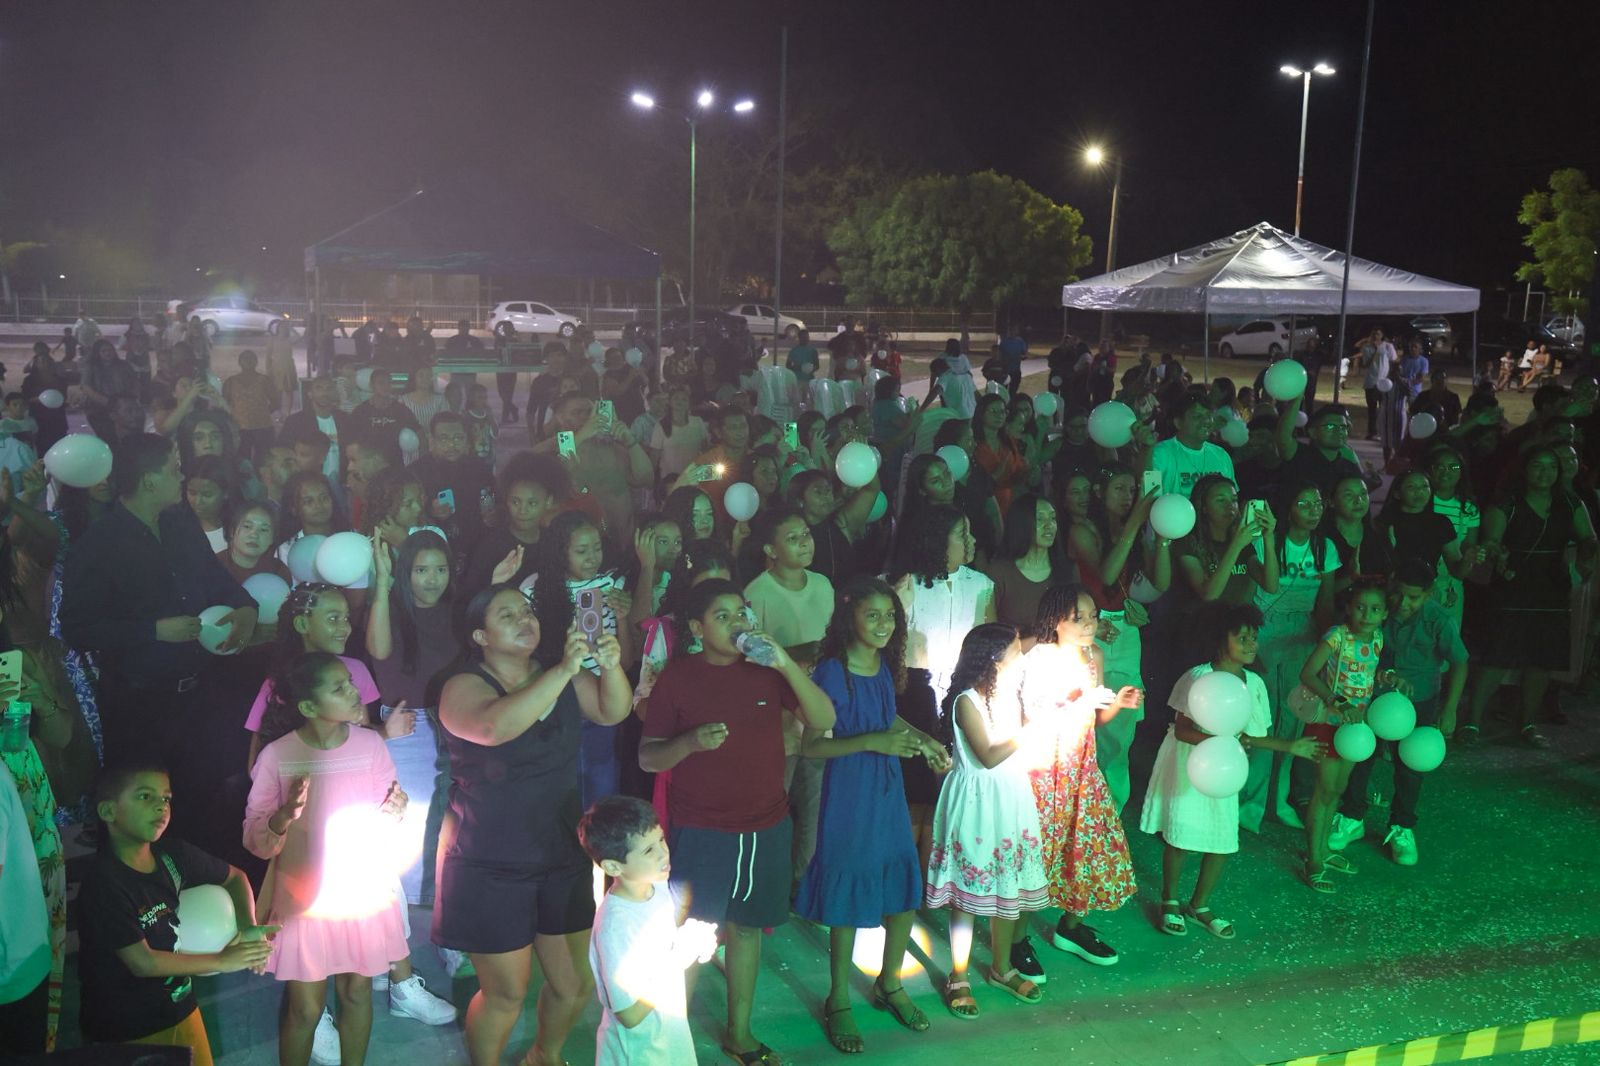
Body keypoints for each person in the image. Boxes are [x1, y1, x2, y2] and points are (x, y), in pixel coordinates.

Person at [639, 578, 835, 1066]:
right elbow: (648, 757)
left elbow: (823, 716)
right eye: (722, 616)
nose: (736, 623)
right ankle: (673, 1041)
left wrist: (785, 662)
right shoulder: (679, 678)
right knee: (690, 935)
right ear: (697, 627)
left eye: (741, 613)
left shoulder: (767, 673)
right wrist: (689, 743)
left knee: (746, 930)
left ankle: (740, 1034)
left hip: (766, 827)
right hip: (701, 830)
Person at [436, 585, 631, 1066]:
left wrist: (608, 665)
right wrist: (566, 669)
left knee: (573, 985)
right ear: (480, 634)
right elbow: (493, 728)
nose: (525, 619)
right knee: (505, 994)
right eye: (508, 614)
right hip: (489, 861)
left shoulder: (553, 674)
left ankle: (544, 1056)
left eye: (527, 609)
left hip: (561, 850)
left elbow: (613, 710)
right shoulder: (461, 686)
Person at [59, 434, 257, 845]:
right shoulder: (99, 544)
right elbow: (77, 628)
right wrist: (152, 631)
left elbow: (218, 581)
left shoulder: (181, 524)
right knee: (141, 813)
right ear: (149, 481)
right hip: (138, 703)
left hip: (201, 694)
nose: (181, 477)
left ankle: (195, 888)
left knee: (199, 800)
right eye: (174, 469)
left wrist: (245, 607)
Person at [794, 576, 945, 1052]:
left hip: (886, 795)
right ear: (849, 618)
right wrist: (874, 742)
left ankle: (890, 982)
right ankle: (837, 998)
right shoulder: (831, 673)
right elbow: (813, 745)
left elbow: (886, 720)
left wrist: (923, 740)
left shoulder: (883, 664)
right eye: (872, 615)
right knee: (847, 900)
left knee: (901, 896)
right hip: (848, 799)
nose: (883, 624)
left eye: (890, 616)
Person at [243, 653, 409, 1066]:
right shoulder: (277, 756)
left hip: (361, 892)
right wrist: (283, 817)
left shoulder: (370, 745)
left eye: (350, 682)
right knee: (304, 1008)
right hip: (304, 902)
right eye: (339, 687)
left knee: (356, 992)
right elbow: (255, 839)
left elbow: (385, 813)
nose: (354, 692)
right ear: (307, 707)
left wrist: (394, 812)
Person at [1142, 603, 1323, 937]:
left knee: (1222, 837)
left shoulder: (1253, 683)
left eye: (1254, 637)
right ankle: (1170, 899)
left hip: (1224, 766)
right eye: (1242, 637)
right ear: (1218, 639)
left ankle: (1200, 905)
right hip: (1189, 761)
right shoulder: (1197, 677)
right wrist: (1218, 739)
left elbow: (1255, 735)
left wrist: (1291, 746)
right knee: (1181, 835)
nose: (1251, 644)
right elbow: (1182, 730)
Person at [78, 762, 272, 1065]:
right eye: (145, 797)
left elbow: (235, 877)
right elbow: (142, 962)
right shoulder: (103, 883)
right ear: (108, 812)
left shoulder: (173, 856)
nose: (160, 806)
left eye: (166, 798)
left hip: (180, 1006)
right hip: (122, 1026)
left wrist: (247, 926)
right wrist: (223, 960)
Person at [1015, 586, 1141, 981]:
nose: (1090, 624)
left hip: (1082, 769)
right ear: (1056, 621)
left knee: (1088, 848)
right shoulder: (1036, 656)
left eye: (1093, 615)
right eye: (1079, 617)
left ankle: (1070, 928)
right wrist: (1081, 704)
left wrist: (1116, 703)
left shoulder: (1094, 656)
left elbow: (1095, 717)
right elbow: (1033, 716)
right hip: (1044, 769)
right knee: (1038, 855)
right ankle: (1017, 940)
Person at [925, 623, 1050, 1018]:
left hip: (1010, 797)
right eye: (1016, 650)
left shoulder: (1009, 694)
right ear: (994, 658)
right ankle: (958, 975)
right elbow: (988, 755)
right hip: (978, 801)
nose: (1022, 654)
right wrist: (1034, 729)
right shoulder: (967, 701)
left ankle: (1002, 967)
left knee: (1005, 890)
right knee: (968, 894)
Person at [1328, 559, 1468, 867]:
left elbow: (1460, 662)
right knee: (1361, 756)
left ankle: (1402, 826)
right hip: (1373, 697)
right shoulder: (1379, 610)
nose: (1403, 603)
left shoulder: (1439, 620)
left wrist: (1450, 708)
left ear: (1429, 594)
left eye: (1414, 597)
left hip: (1420, 702)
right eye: (1399, 594)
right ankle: (1352, 816)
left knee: (1410, 765)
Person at [1461, 446, 1597, 748]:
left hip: (1552, 587)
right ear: (1524, 469)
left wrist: (1587, 554)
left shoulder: (1570, 502)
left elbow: (1588, 537)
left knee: (1541, 661)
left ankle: (1527, 723)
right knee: (1497, 657)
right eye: (1538, 465)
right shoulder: (1506, 502)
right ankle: (1472, 721)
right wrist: (1496, 553)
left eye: (1551, 466)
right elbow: (1492, 541)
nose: (1545, 472)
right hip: (1512, 585)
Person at [742, 506, 836, 891]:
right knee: (772, 805)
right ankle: (765, 881)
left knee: (816, 810)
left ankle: (803, 884)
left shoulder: (824, 586)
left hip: (816, 714)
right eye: (792, 538)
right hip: (777, 722)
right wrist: (800, 653)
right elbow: (749, 657)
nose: (804, 543)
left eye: (806, 535)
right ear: (770, 548)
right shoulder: (756, 593)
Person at [578, 795, 710, 1066]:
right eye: (649, 850)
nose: (663, 852)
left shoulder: (654, 886)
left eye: (661, 839)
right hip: (639, 1052)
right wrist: (679, 959)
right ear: (614, 867)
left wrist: (692, 941)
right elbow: (629, 1014)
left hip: (668, 1036)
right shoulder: (616, 927)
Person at [523, 512, 635, 806]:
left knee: (602, 790)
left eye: (597, 548)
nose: (592, 558)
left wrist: (623, 618)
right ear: (561, 552)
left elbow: (625, 663)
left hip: (604, 705)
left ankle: (598, 851)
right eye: (582, 551)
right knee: (560, 795)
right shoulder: (534, 589)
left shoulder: (611, 586)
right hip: (556, 711)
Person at [1246, 482, 1339, 832]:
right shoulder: (1266, 542)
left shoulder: (1325, 547)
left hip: (1303, 635)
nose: (1314, 510)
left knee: (1294, 718)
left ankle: (1279, 799)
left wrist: (1326, 647)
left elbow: (1325, 603)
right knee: (1263, 719)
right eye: (1304, 504)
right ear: (1287, 508)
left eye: (1318, 503)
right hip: (1267, 632)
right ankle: (1251, 803)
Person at [1294, 579, 1389, 893]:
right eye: (1361, 607)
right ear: (1349, 607)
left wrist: (1388, 677)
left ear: (1385, 614)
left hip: (1354, 729)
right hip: (1328, 723)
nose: (1367, 614)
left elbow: (1367, 673)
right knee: (1324, 790)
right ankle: (1314, 862)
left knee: (1337, 789)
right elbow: (1308, 673)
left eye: (1375, 609)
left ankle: (1322, 849)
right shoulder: (1337, 637)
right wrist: (1337, 701)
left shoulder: (1377, 639)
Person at [410, 411, 494, 565]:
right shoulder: (416, 472)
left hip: (477, 548)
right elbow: (405, 511)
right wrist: (429, 509)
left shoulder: (479, 467)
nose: (452, 444)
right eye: (444, 439)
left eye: (458, 438)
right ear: (432, 441)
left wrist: (493, 511)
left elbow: (495, 496)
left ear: (466, 440)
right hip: (434, 551)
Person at [987, 493, 1074, 633]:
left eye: (1052, 518)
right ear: (1022, 524)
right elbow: (989, 630)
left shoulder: (1068, 569)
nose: (1049, 525)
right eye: (1040, 519)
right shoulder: (999, 572)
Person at [1147, 392, 1237, 497]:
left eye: (1209, 415)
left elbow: (1231, 498)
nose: (1206, 421)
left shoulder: (1221, 456)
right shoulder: (1159, 454)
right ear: (1178, 423)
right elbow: (1149, 496)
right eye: (1197, 416)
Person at [222, 349, 280, 464]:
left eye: (252, 358)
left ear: (256, 362)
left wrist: (264, 413)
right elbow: (224, 403)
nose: (249, 361)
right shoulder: (230, 382)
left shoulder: (264, 380)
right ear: (239, 362)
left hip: (263, 427)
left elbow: (276, 401)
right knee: (241, 463)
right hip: (240, 427)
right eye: (245, 358)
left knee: (264, 462)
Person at [1360, 328, 1396, 439]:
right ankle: (1372, 432)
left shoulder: (1387, 346)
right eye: (1374, 334)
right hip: (1371, 382)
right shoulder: (1366, 348)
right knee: (1372, 409)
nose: (1376, 336)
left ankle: (1383, 432)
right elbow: (1366, 364)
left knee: (1384, 409)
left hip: (1384, 383)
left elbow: (1393, 359)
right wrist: (1375, 351)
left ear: (1382, 335)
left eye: (1379, 334)